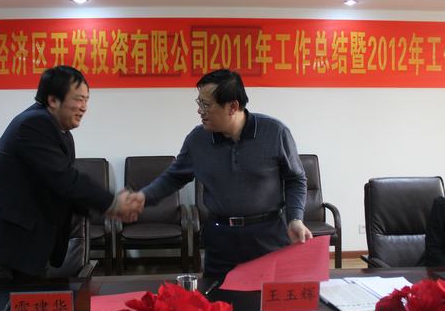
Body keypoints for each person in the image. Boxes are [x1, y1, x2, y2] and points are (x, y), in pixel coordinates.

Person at [0, 66, 143, 282]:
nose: (84, 107)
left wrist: (110, 209)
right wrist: (112, 204)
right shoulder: (34, 123)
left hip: (25, 248)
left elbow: (63, 188)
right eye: (78, 99)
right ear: (53, 100)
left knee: (31, 303)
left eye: (86, 100)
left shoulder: (62, 133)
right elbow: (65, 179)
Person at [130, 69, 312, 277]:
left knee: (264, 293)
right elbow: (174, 177)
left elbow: (296, 179)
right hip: (220, 237)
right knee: (217, 294)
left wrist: (295, 218)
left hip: (267, 235)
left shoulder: (275, 133)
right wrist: (142, 197)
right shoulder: (198, 140)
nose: (200, 111)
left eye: (206, 105)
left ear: (232, 107)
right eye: (199, 103)